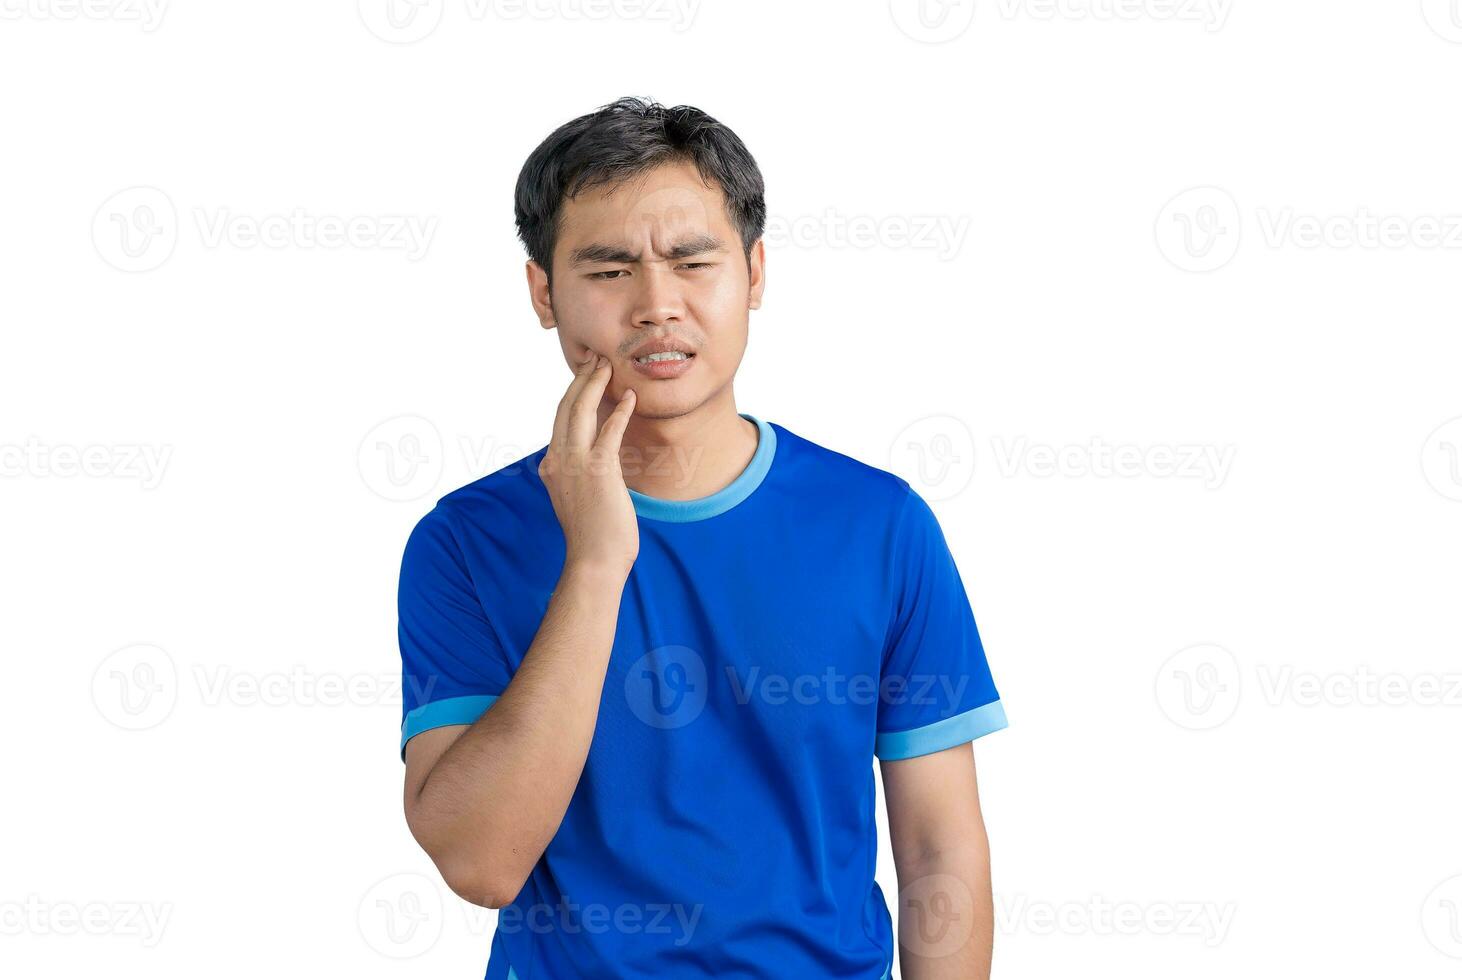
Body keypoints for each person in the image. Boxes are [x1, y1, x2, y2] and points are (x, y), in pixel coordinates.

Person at [396, 96, 1007, 980]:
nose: (656, 305)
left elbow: (939, 848)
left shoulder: (878, 524)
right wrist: (597, 562)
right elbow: (481, 863)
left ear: (755, 273)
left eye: (693, 262)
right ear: (542, 292)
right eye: (607, 271)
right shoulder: (464, 542)